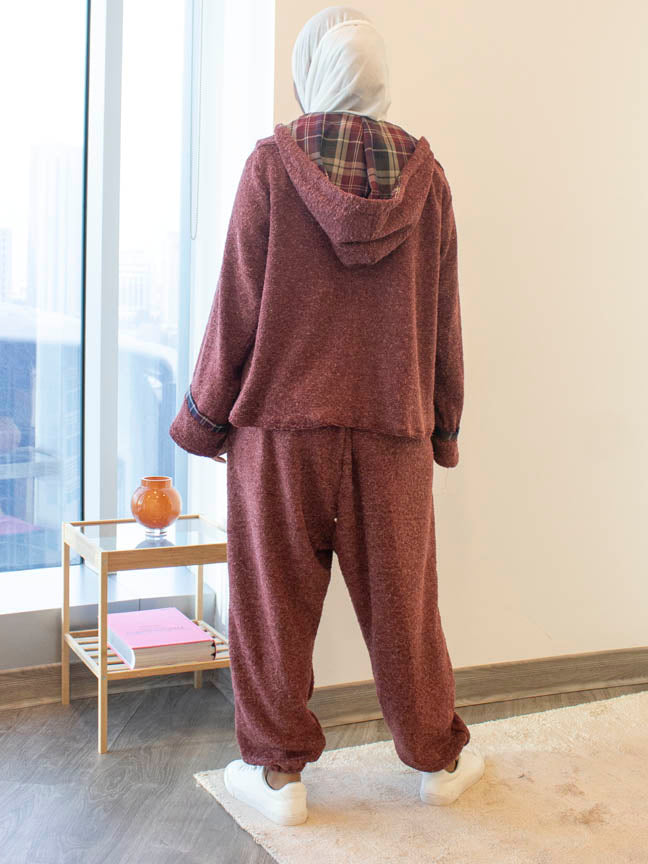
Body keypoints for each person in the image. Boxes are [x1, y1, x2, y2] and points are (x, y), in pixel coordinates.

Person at [169, 4, 485, 827]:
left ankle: (280, 780)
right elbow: (443, 316)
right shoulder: (428, 180)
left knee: (271, 602)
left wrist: (205, 416)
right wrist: (444, 425)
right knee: (404, 607)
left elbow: (236, 305)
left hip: (281, 430)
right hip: (392, 430)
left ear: (312, 73)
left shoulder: (272, 168)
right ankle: (439, 760)